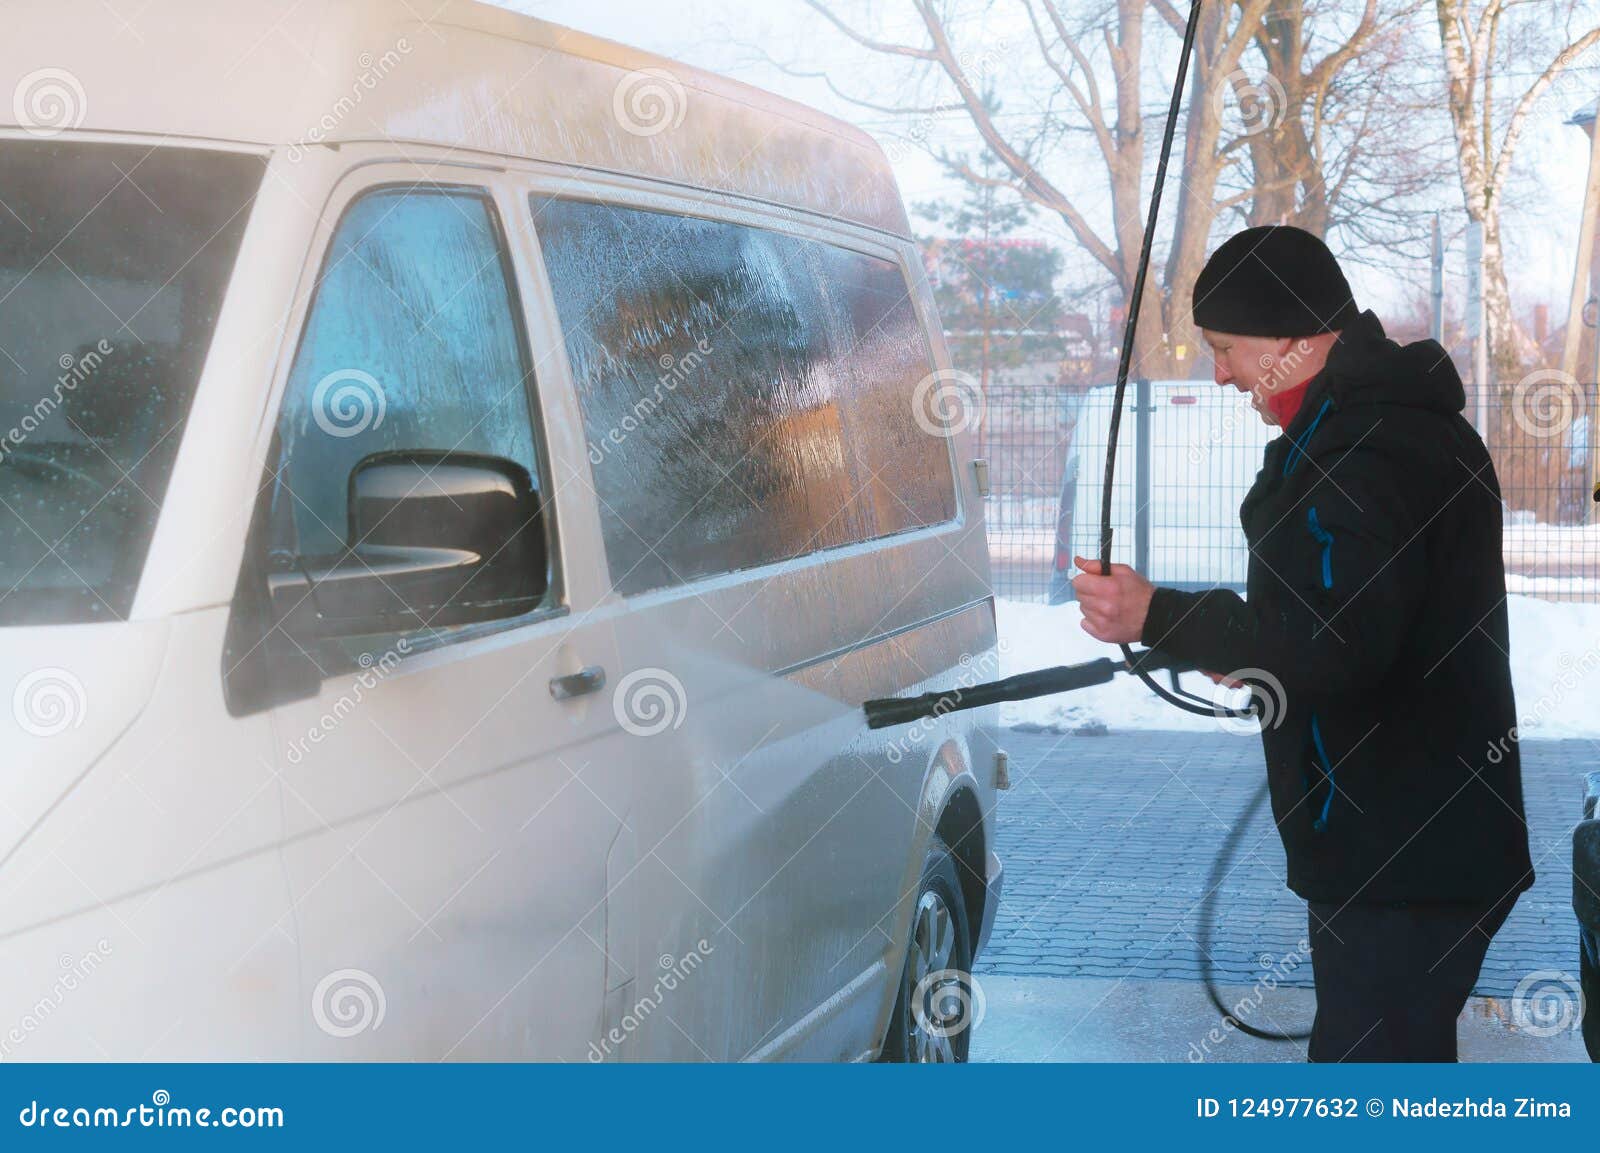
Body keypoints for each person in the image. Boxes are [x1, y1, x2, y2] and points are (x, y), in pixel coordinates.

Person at [1070, 224, 1534, 1062]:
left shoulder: (1369, 451)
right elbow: (1341, 626)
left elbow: (1338, 643)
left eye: (1225, 348)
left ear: (1293, 339)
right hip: (1407, 847)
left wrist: (1161, 615)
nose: (1219, 373)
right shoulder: (1366, 435)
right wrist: (1243, 649)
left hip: (1405, 856)